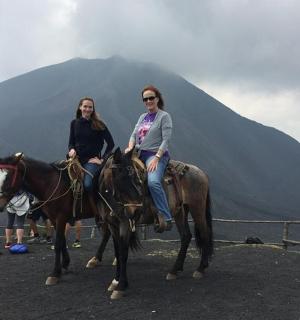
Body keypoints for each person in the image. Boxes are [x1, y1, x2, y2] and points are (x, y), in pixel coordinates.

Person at [125, 85, 173, 232]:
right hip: (139, 154)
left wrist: (157, 158)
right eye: (145, 99)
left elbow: (166, 140)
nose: (148, 101)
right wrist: (130, 147)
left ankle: (166, 216)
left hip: (155, 155)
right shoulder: (142, 117)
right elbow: (134, 135)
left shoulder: (164, 116)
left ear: (157, 99)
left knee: (153, 182)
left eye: (151, 98)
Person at [68, 96, 115, 193]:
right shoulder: (74, 123)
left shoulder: (99, 124)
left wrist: (102, 160)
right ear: (80, 107)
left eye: (90, 107)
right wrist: (71, 149)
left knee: (88, 185)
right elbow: (71, 143)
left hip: (91, 161)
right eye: (85, 106)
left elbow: (111, 144)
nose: (87, 109)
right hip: (75, 159)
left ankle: (95, 206)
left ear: (93, 109)